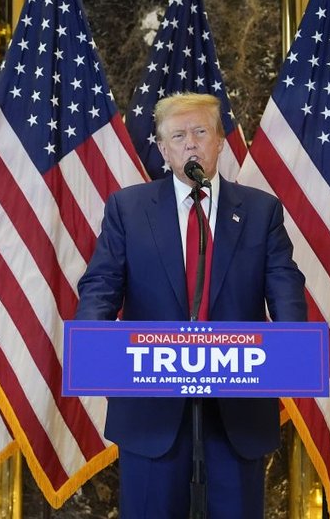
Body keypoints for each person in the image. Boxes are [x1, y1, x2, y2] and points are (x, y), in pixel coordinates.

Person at [74, 92, 307, 518]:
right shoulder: (129, 208)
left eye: (201, 132)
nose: (191, 144)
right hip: (151, 408)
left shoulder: (260, 210)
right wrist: (93, 343)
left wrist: (291, 349)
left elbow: (285, 287)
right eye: (178, 135)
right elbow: (102, 284)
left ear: (220, 141)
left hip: (237, 406)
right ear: (163, 149)